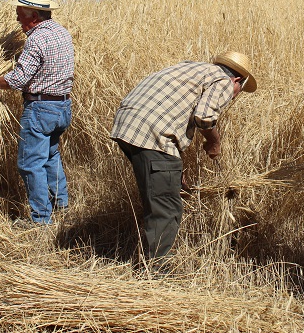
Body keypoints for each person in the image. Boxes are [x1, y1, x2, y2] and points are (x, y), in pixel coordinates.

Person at [110, 52, 257, 271]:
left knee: (160, 196)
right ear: (237, 80)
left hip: (128, 128)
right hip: (153, 135)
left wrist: (175, 169)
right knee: (167, 208)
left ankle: (149, 263)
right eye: (240, 91)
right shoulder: (224, 81)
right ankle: (154, 272)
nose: (235, 96)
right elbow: (205, 117)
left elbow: (168, 113)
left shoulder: (192, 69)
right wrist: (214, 142)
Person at [0, 0, 74, 225]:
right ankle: (61, 204)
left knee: (29, 164)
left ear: (33, 15)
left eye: (20, 12)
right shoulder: (62, 33)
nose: (17, 17)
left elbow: (19, 80)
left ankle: (41, 220)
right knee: (50, 155)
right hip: (63, 108)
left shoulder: (36, 39)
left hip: (41, 110)